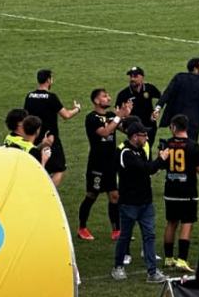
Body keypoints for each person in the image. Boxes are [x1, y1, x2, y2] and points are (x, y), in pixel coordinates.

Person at [111, 122, 169, 283]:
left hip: (145, 202)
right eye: (144, 135)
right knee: (125, 236)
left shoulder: (139, 151)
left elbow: (150, 168)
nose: (147, 137)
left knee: (149, 236)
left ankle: (152, 272)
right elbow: (145, 169)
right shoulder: (126, 153)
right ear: (135, 136)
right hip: (129, 203)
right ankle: (118, 266)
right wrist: (160, 159)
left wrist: (160, 160)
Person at [77, 89, 133, 242]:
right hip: (97, 163)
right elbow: (105, 133)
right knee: (92, 195)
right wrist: (118, 117)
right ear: (96, 101)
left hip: (111, 162)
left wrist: (126, 116)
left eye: (108, 95)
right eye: (104, 96)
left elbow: (124, 129)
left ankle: (116, 230)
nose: (108, 98)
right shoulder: (92, 118)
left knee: (114, 196)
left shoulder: (110, 116)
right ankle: (82, 228)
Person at [161, 114, 199, 273]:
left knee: (171, 223)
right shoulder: (193, 146)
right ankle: (182, 259)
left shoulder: (167, 144)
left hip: (170, 189)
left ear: (173, 127)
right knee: (186, 224)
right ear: (187, 127)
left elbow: (161, 163)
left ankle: (168, 258)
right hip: (187, 191)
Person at [23, 69, 81, 187]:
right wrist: (77, 109)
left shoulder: (29, 96)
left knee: (37, 167)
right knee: (59, 168)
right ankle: (48, 193)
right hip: (50, 139)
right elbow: (66, 115)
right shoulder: (51, 97)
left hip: (33, 138)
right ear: (49, 80)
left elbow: (25, 117)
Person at [154, 57, 199, 141]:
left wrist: (158, 108)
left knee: (177, 143)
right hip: (193, 123)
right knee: (190, 147)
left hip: (176, 120)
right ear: (195, 69)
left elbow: (167, 93)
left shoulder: (179, 78)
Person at [116, 66, 162, 144]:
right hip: (135, 131)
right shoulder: (123, 94)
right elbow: (117, 112)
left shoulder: (150, 88)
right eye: (131, 76)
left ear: (142, 77)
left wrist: (156, 111)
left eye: (135, 76)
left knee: (147, 151)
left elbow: (162, 99)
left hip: (150, 127)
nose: (132, 79)